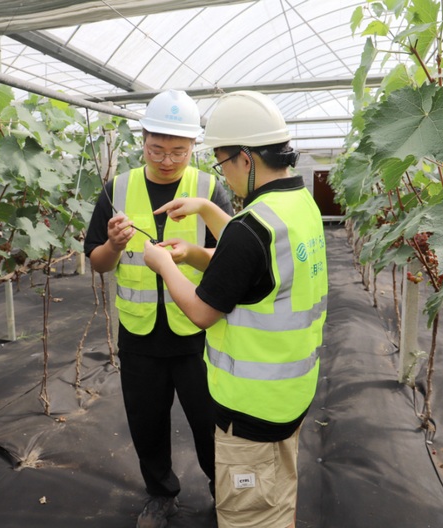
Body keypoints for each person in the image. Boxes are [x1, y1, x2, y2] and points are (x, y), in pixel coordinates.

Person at [142, 90, 328, 528]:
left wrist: (165, 265)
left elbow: (204, 312)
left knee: (250, 514)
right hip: (290, 392)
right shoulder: (299, 206)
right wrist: (206, 210)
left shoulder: (252, 227)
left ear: (246, 158)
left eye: (222, 162)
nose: (223, 174)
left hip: (251, 408)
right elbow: (253, 264)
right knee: (277, 496)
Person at [83, 89, 233, 528]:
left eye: (179, 151)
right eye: (157, 149)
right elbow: (97, 263)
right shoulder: (119, 188)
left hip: (198, 333)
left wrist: (190, 255)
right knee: (146, 422)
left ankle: (221, 492)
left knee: (210, 422)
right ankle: (161, 494)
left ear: (193, 148)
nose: (167, 160)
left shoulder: (209, 188)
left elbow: (232, 258)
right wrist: (112, 244)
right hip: (140, 333)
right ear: (143, 139)